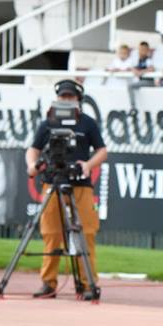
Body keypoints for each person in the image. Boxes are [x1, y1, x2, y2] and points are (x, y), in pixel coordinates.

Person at [25, 80, 108, 301]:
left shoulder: (87, 123)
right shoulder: (48, 123)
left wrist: (89, 165)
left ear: (78, 99)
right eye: (63, 96)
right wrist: (32, 165)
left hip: (80, 184)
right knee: (51, 233)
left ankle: (87, 282)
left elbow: (102, 150)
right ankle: (48, 283)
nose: (66, 100)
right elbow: (33, 149)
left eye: (70, 97)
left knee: (85, 233)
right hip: (52, 181)